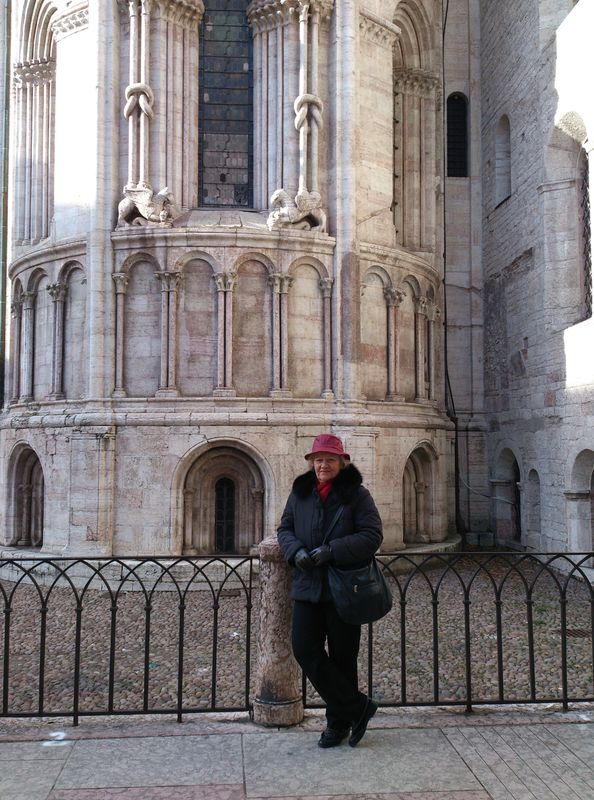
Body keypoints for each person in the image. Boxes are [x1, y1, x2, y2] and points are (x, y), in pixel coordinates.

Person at [277, 433, 383, 748]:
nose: (323, 465)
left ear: (341, 463)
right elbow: (284, 529)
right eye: (318, 459)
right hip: (308, 586)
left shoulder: (357, 495)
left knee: (343, 658)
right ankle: (358, 707)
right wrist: (294, 551)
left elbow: (372, 535)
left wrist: (332, 551)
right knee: (304, 649)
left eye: (330, 460)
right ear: (311, 463)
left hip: (344, 589)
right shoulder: (300, 494)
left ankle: (337, 725)